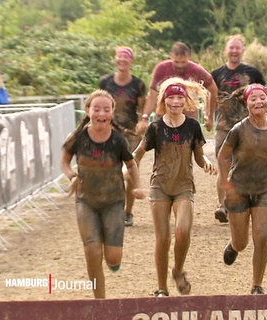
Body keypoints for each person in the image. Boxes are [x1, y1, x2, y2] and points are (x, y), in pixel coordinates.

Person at [133, 77, 216, 297]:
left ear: (186, 101)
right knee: (162, 238)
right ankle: (161, 288)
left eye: (180, 97)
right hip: (159, 187)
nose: (176, 102)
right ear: (164, 101)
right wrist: (128, 168)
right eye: (172, 97)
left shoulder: (192, 126)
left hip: (183, 186)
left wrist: (206, 163)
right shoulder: (156, 127)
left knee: (183, 231)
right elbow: (138, 154)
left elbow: (198, 156)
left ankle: (178, 270)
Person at [60, 89, 146, 298]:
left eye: (106, 110)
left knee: (113, 258)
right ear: (88, 110)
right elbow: (64, 160)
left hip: (114, 203)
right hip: (86, 202)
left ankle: (114, 262)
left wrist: (136, 185)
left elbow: (131, 164)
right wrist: (72, 176)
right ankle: (100, 301)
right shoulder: (78, 137)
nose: (101, 114)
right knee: (92, 251)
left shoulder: (118, 141)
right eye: (96, 109)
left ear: (112, 112)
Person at [218, 83, 267, 295]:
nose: (258, 102)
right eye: (253, 99)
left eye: (262, 98)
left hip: (262, 189)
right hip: (239, 189)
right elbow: (223, 156)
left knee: (262, 235)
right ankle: (234, 246)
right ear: (247, 104)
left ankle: (256, 284)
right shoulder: (238, 130)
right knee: (242, 242)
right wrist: (226, 185)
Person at [210, 34, 267, 224]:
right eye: (231, 47)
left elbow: (265, 95)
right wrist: (208, 117)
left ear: (242, 50)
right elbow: (210, 97)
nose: (234, 51)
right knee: (223, 165)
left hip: (247, 127)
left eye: (237, 47)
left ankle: (248, 203)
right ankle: (223, 206)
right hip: (224, 127)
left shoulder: (253, 73)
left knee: (245, 165)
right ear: (225, 50)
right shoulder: (216, 74)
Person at [98, 46, 147, 227]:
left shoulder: (138, 84)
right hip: (108, 132)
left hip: (131, 134)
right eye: (120, 57)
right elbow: (98, 101)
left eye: (126, 58)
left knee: (129, 175)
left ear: (131, 61)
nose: (122, 61)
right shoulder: (105, 82)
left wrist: (143, 120)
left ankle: (127, 212)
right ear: (115, 59)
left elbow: (142, 107)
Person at [139, 42, 218, 133]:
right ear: (171, 56)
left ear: (189, 57)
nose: (180, 66)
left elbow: (213, 90)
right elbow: (152, 95)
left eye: (183, 62)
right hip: (164, 118)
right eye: (176, 62)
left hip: (188, 120)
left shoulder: (196, 70)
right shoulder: (162, 68)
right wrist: (145, 118)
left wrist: (209, 115)